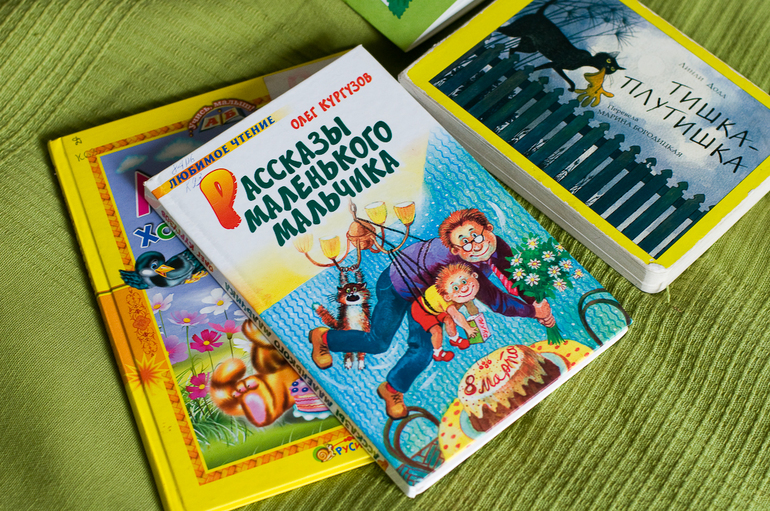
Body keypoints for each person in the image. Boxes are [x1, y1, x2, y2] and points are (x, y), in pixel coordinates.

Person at [308, 209, 555, 420]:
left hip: (431, 295)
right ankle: (324, 338)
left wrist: (537, 303)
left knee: (422, 351)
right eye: (465, 243)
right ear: (456, 250)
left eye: (477, 236)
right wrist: (533, 311)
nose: (475, 245)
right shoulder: (460, 265)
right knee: (379, 343)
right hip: (397, 286)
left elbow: (513, 274)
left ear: (488, 229)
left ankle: (392, 388)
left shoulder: (495, 244)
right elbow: (495, 299)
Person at [412, 262, 481, 363]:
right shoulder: (446, 298)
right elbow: (456, 316)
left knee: (449, 320)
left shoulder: (452, 290)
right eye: (456, 288)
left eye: (464, 282)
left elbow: (467, 301)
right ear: (447, 296)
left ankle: (455, 339)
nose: (463, 287)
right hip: (421, 310)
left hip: (437, 308)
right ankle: (438, 353)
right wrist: (468, 329)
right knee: (437, 330)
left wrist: (472, 309)